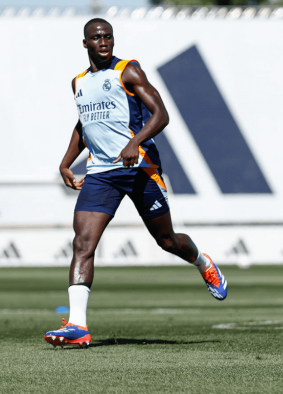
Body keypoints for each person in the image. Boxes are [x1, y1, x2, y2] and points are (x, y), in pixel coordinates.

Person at [44, 18, 228, 348]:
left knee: (168, 241)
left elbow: (161, 114)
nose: (103, 41)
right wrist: (65, 162)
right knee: (83, 243)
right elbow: (83, 125)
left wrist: (135, 141)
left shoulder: (129, 71)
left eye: (108, 36)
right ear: (84, 44)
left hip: (138, 166)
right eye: (96, 37)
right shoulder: (79, 83)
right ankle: (78, 326)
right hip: (100, 172)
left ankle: (203, 262)